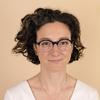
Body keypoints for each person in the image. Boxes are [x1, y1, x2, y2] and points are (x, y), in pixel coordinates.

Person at [4, 8, 100, 100]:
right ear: (35, 48)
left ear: (72, 46)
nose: (55, 52)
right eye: (45, 43)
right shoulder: (14, 96)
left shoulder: (89, 95)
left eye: (63, 42)